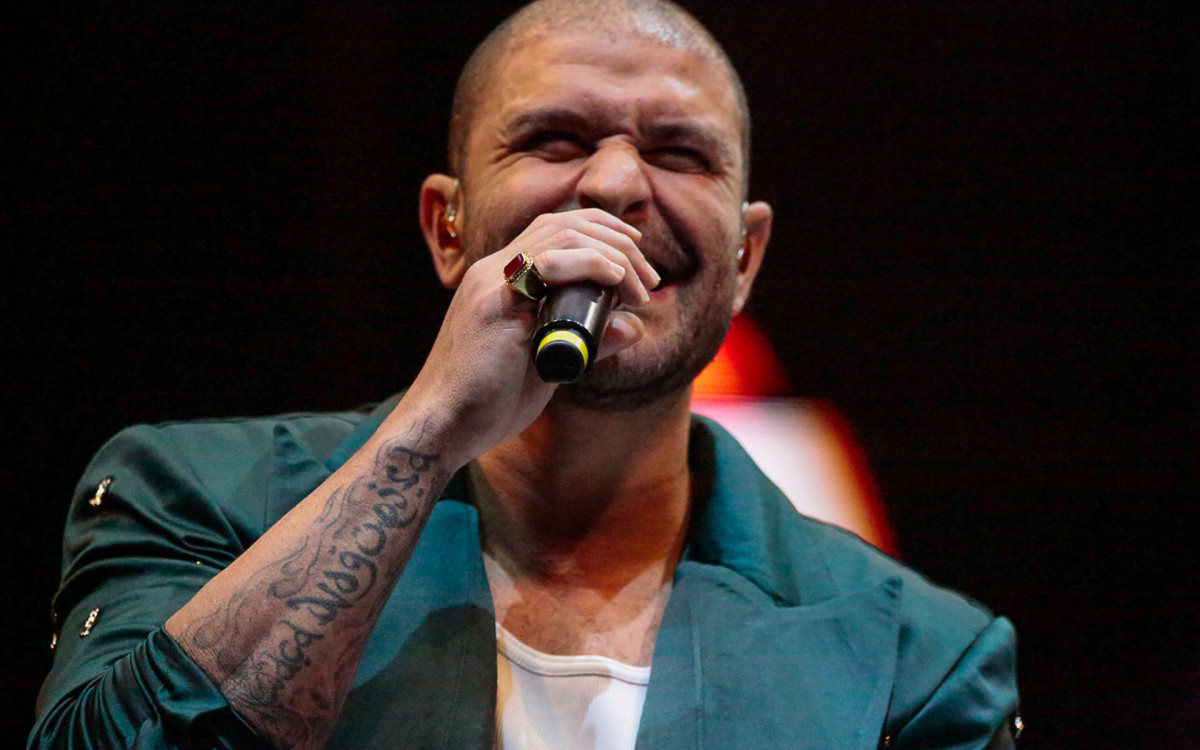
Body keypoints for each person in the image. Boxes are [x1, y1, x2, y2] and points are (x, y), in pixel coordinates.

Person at [29, 1, 1020, 748]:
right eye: (555, 140)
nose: (616, 186)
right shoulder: (197, 495)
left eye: (680, 152)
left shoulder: (917, 654)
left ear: (746, 257)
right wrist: (430, 432)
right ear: (447, 228)